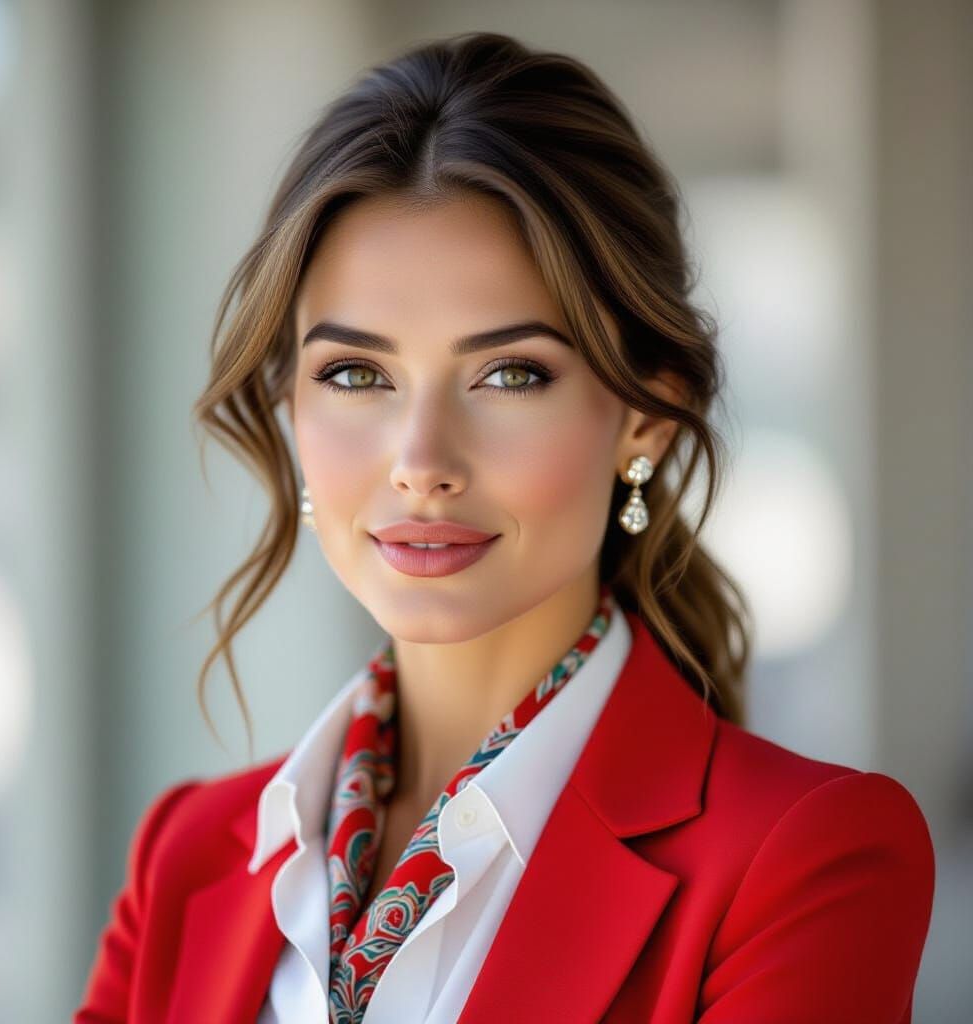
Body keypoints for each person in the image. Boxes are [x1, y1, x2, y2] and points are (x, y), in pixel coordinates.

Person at [75, 30, 935, 1024]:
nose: (422, 458)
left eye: (508, 373)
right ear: (288, 409)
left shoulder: (803, 859)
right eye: (356, 374)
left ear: (643, 416)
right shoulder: (185, 855)